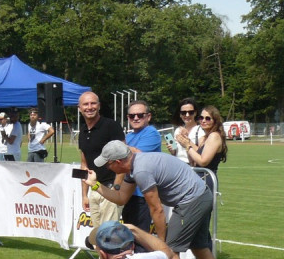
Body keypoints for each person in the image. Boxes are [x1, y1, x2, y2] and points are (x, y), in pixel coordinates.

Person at [90, 138, 224, 259]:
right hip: (201, 195)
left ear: (117, 162)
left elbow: (157, 210)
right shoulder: (134, 167)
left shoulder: (141, 171)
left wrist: (161, 244)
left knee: (170, 254)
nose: (107, 169)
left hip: (191, 201)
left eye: (108, 165)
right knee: (200, 248)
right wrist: (94, 185)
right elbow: (121, 198)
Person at [76, 91, 126, 227]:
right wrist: (84, 195)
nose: (89, 107)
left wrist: (116, 189)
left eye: (93, 103)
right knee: (98, 235)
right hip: (95, 188)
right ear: (79, 108)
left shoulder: (111, 126)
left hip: (111, 188)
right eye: (85, 104)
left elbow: (124, 159)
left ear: (99, 106)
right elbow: (84, 164)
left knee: (109, 234)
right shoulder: (83, 131)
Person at [119, 100, 162, 232]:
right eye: (132, 116)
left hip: (143, 194)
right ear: (128, 118)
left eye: (140, 115)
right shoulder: (128, 136)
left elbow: (136, 156)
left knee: (139, 236)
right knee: (129, 235)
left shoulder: (151, 132)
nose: (136, 118)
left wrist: (116, 146)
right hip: (128, 193)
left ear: (148, 116)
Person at [186, 105, 227, 179]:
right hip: (198, 178)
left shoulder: (214, 136)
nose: (203, 121)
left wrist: (187, 146)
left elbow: (203, 161)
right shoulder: (205, 138)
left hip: (206, 179)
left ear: (215, 121)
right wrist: (187, 141)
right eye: (201, 118)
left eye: (207, 118)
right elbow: (194, 160)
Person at [169, 98, 204, 164]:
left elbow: (201, 153)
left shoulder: (200, 130)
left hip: (192, 167)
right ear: (180, 114)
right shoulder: (177, 130)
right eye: (183, 113)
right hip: (178, 165)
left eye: (191, 112)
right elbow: (175, 154)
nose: (187, 115)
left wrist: (187, 141)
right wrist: (172, 150)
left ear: (195, 113)